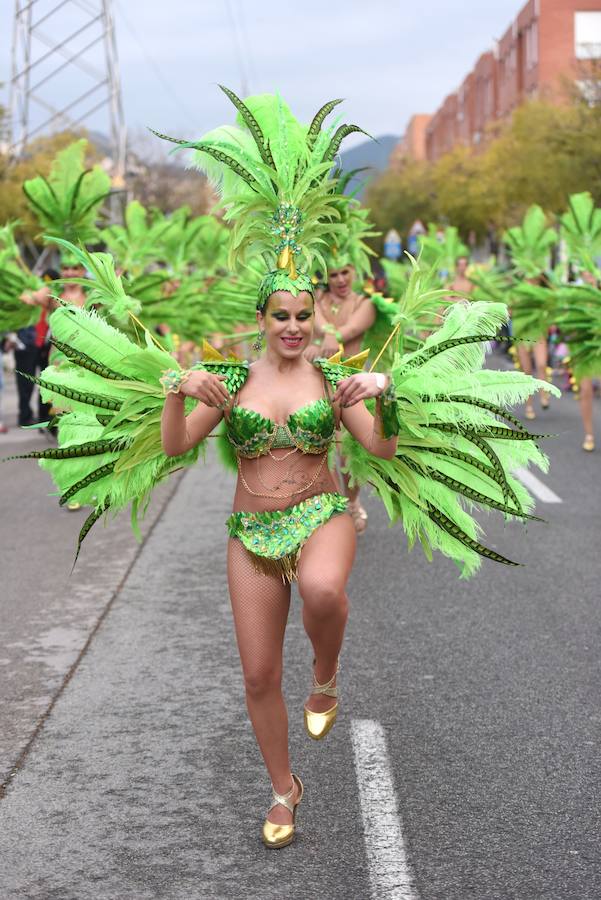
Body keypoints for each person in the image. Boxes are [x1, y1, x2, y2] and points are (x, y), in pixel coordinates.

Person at [10, 89, 554, 850]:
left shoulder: (334, 381)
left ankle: (326, 670)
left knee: (326, 591)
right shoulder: (229, 381)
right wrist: (176, 391)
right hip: (249, 529)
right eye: (281, 315)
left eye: (304, 315)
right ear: (260, 319)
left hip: (322, 511)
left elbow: (384, 448)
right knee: (260, 675)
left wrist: (383, 393)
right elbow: (172, 449)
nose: (295, 326)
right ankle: (282, 787)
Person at [307, 261, 376, 533]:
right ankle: (332, 503)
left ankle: (352, 501)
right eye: (332, 274)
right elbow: (313, 322)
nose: (339, 279)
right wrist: (312, 346)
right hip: (314, 384)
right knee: (318, 449)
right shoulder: (314, 300)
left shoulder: (366, 303)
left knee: (351, 453)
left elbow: (348, 332)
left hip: (350, 385)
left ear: (354, 272)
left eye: (345, 272)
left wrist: (327, 337)